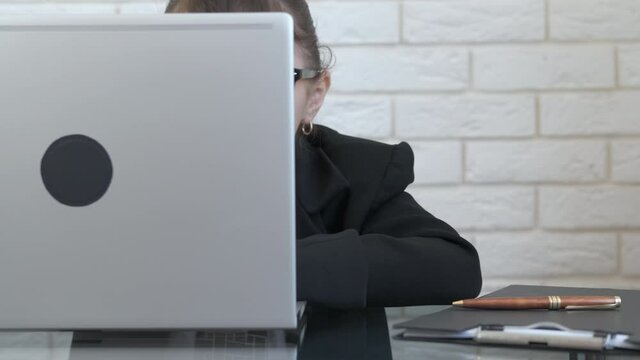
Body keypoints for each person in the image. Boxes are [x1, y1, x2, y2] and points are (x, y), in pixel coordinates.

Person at [165, 0, 482, 309]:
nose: (228, 100)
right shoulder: (127, 174)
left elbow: (453, 267)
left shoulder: (353, 173)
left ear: (313, 97)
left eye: (263, 72)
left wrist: (266, 266)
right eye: (199, 72)